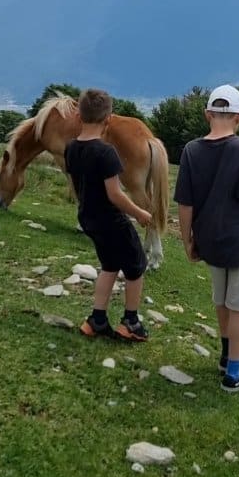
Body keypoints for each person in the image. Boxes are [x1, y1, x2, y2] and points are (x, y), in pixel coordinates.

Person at [174, 85, 239, 392]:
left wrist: (188, 239)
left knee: (221, 300)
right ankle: (233, 373)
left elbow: (185, 204)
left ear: (208, 115)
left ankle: (225, 353)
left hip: (209, 239)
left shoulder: (191, 150)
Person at [64, 88, 152, 342]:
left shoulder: (71, 149)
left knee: (109, 265)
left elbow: (77, 184)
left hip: (88, 217)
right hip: (111, 219)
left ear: (79, 116)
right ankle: (131, 322)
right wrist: (139, 213)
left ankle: (97, 319)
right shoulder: (106, 152)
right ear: (108, 119)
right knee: (136, 266)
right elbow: (115, 194)